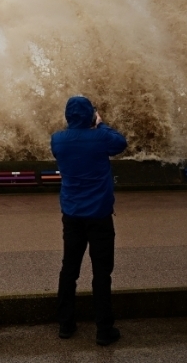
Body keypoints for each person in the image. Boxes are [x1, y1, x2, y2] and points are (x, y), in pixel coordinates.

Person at [50, 95, 127, 346]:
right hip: (100, 216)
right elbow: (121, 143)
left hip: (72, 215)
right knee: (101, 273)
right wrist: (101, 123)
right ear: (90, 115)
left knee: (69, 269)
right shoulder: (102, 137)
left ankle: (65, 324)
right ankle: (104, 330)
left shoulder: (58, 140)